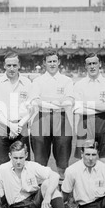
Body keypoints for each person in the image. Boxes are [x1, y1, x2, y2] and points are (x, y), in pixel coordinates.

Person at [29, 49, 74, 184]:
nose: (52, 64)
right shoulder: (38, 81)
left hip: (61, 119)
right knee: (40, 163)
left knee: (62, 162)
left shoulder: (67, 80)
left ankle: (62, 196)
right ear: (44, 63)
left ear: (59, 62)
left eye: (55, 61)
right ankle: (41, 196)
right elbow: (35, 101)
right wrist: (57, 103)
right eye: (49, 61)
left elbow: (69, 101)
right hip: (42, 119)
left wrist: (47, 102)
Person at [0, 52, 33, 166]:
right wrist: (10, 125)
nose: (12, 68)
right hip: (2, 127)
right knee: (2, 166)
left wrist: (19, 125)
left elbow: (31, 109)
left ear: (19, 65)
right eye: (9, 65)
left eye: (14, 65)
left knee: (23, 165)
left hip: (21, 127)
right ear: (4, 66)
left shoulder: (27, 83)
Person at [73, 53, 105, 166]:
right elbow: (77, 108)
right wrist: (101, 106)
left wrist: (87, 104)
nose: (92, 66)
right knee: (85, 161)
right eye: (89, 64)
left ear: (100, 64)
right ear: (85, 66)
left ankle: (103, 184)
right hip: (84, 123)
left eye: (94, 63)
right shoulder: (79, 85)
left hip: (104, 122)